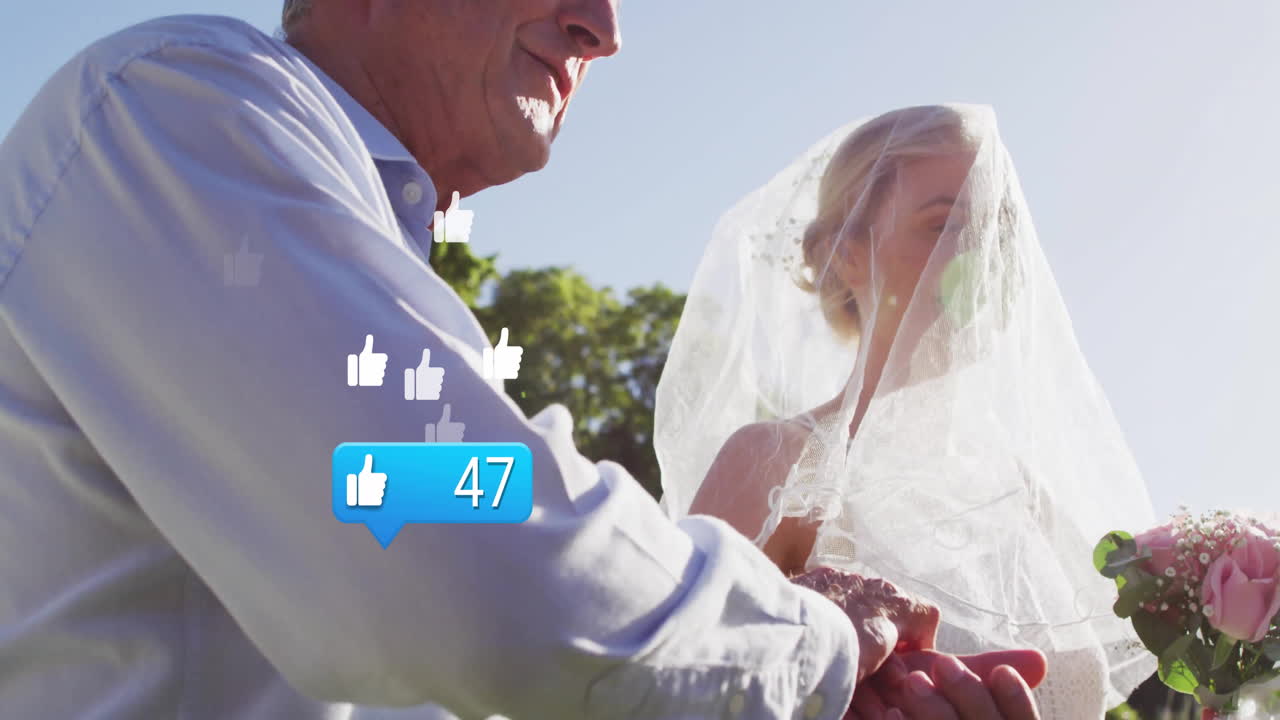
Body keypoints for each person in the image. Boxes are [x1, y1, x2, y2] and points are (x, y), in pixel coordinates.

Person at [0, 2, 1041, 719]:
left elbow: (416, 493)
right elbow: (459, 539)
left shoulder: (341, 235)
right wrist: (816, 647)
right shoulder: (185, 109)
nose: (605, 29)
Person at [655, 104, 1161, 719]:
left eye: (997, 232)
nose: (981, 259)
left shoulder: (1025, 497)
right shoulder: (777, 463)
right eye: (944, 225)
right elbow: (670, 695)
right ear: (844, 253)